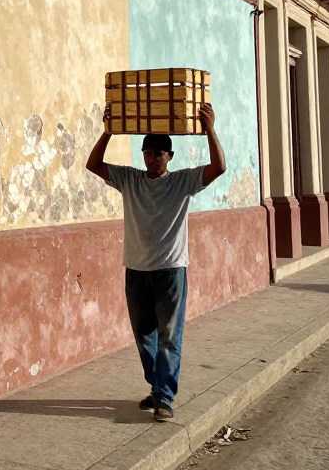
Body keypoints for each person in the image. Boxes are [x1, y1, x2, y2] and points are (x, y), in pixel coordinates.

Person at [85, 104, 226, 422]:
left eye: (159, 153)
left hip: (171, 271)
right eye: (148, 152)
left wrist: (210, 130)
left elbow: (219, 168)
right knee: (144, 335)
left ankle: (164, 397)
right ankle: (157, 385)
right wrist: (108, 130)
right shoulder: (129, 179)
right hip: (135, 271)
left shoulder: (183, 181)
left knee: (169, 335)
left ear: (170, 156)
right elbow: (93, 164)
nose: (153, 158)